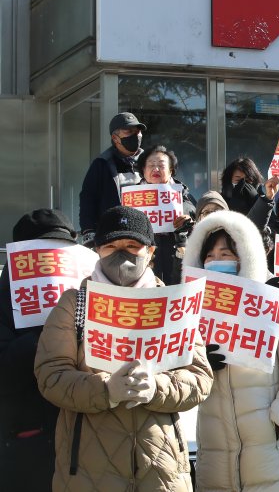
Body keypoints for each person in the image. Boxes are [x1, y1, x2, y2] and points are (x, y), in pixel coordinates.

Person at [33, 206, 213, 491]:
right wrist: (105, 390)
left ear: (151, 251)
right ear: (97, 250)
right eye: (111, 246)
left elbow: (200, 378)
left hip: (161, 469)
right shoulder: (74, 304)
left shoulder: (174, 303)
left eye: (132, 245)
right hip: (87, 470)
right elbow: (51, 376)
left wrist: (157, 388)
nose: (122, 253)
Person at [182, 210, 279, 492]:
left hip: (273, 455)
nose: (216, 262)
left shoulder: (271, 304)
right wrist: (200, 365)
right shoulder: (188, 312)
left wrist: (278, 419)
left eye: (226, 254)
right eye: (209, 256)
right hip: (216, 458)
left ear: (246, 256)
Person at [0, 209, 78, 492]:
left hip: (85, 444)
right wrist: (44, 331)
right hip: (28, 444)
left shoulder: (93, 291)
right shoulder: (3, 300)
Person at [79, 112, 146, 245]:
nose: (136, 135)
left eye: (138, 131)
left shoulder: (151, 161)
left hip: (145, 235)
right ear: (115, 138)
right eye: (129, 131)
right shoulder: (102, 164)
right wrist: (89, 232)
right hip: (112, 236)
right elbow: (88, 198)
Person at [135, 145, 196, 285]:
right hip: (144, 260)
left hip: (177, 259)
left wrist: (188, 221)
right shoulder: (131, 198)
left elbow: (197, 220)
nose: (156, 169)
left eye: (161, 165)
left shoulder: (184, 196)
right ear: (143, 170)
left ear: (171, 171)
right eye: (150, 165)